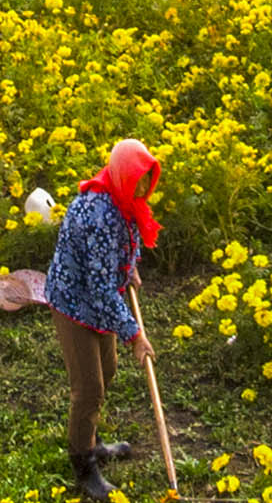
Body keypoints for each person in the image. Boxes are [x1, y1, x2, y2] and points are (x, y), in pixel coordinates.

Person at [43, 140, 161, 503]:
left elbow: (128, 238)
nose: (143, 189)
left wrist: (130, 267)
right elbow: (99, 291)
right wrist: (135, 336)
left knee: (106, 372)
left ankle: (92, 440)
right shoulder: (96, 215)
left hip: (98, 297)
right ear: (123, 176)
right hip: (74, 302)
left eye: (147, 181)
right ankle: (83, 464)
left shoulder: (123, 199)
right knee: (89, 388)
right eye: (138, 181)